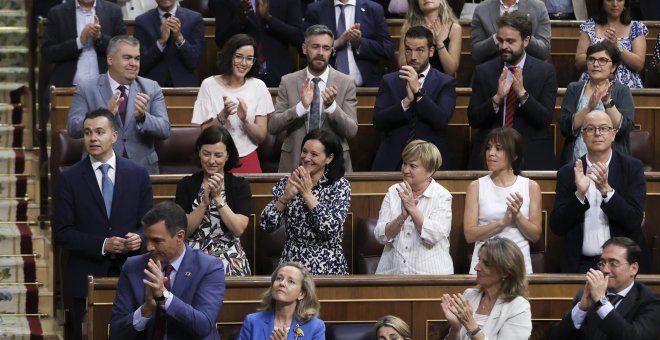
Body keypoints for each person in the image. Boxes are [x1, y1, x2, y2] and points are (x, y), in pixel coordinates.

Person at [52, 108, 153, 340]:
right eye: (88, 133)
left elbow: (150, 226)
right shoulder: (70, 178)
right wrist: (103, 244)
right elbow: (61, 233)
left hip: (131, 274)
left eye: (99, 132)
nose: (93, 138)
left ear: (114, 136)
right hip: (85, 277)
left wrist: (140, 238)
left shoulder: (137, 174)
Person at [109, 201, 226, 340]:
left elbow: (203, 326)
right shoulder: (133, 266)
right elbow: (116, 332)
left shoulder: (209, 267)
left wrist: (164, 297)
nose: (149, 247)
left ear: (180, 237)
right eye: (147, 239)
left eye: (157, 241)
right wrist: (146, 310)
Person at [550, 110, 649, 273]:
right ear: (583, 135)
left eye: (603, 128)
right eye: (590, 129)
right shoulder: (568, 172)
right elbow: (557, 226)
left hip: (622, 266)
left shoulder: (632, 168)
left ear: (613, 134)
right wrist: (579, 195)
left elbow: (633, 220)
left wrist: (607, 191)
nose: (597, 133)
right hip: (581, 265)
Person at [67, 35, 171, 174]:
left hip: (142, 170)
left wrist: (143, 117)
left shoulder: (151, 88)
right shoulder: (86, 88)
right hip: (99, 169)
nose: (134, 63)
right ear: (110, 59)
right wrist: (105, 113)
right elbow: (73, 128)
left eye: (137, 58)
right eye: (127, 58)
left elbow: (164, 130)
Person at [467, 11, 558, 171]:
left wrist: (523, 94)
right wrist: (497, 98)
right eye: (500, 40)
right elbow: (474, 119)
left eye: (510, 41)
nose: (503, 47)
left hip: (531, 157)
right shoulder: (483, 71)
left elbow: (545, 119)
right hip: (490, 157)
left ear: (526, 40)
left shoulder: (545, 72)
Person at [259, 129, 350, 275]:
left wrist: (307, 194)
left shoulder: (339, 185)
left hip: (327, 264)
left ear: (329, 158)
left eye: (314, 154)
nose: (306, 158)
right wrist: (285, 198)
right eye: (304, 152)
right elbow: (266, 224)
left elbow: (329, 229)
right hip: (291, 263)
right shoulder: (287, 182)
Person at [269, 24, 358, 173]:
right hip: (295, 164)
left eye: (326, 48)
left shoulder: (346, 83)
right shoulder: (288, 81)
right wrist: (300, 107)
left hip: (333, 165)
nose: (320, 52)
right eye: (315, 47)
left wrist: (332, 107)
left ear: (332, 51)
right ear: (304, 48)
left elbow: (351, 130)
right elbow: (273, 126)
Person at [372, 25, 456, 171]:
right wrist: (405, 103)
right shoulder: (389, 81)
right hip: (393, 161)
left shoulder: (445, 82)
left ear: (431, 51)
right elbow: (378, 121)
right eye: (408, 50)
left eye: (419, 50)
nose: (413, 57)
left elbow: (441, 120)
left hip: (430, 162)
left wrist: (418, 92)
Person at [175, 126, 252, 276]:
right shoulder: (186, 185)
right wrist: (203, 203)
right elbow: (184, 231)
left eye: (218, 155)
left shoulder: (240, 185)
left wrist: (218, 199)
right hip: (192, 254)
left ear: (227, 155)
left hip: (229, 254)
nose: (211, 161)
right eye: (206, 154)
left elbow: (238, 229)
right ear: (199, 152)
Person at [191, 33, 274, 173]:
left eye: (249, 59)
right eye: (239, 56)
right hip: (215, 160)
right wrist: (224, 114)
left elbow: (261, 136)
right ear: (229, 56)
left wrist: (245, 120)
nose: (243, 63)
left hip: (247, 158)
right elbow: (204, 133)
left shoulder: (259, 86)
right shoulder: (208, 85)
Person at [464, 128, 542, 274]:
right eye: (488, 148)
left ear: (514, 155)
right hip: (483, 265)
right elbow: (469, 235)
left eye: (498, 149)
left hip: (517, 266)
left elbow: (535, 235)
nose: (491, 153)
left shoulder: (531, 187)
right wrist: (502, 223)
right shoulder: (476, 186)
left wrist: (518, 216)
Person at [549, 237, 660, 339]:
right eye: (602, 263)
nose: (605, 270)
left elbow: (634, 337)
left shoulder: (650, 301)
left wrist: (601, 302)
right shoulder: (585, 295)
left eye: (613, 263)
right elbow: (555, 337)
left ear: (633, 268)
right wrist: (581, 309)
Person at [374, 140, 453, 274]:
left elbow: (435, 235)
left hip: (430, 276)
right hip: (392, 273)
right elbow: (380, 235)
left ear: (430, 171)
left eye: (413, 166)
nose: (405, 170)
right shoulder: (394, 192)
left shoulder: (442, 196)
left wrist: (412, 209)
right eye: (404, 163)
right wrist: (401, 217)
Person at [441, 237, 532, 340]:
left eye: (486, 264)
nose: (476, 268)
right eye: (479, 260)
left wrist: (471, 325)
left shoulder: (518, 307)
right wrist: (455, 328)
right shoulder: (469, 295)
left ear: (505, 272)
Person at [560, 42, 635, 165]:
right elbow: (565, 127)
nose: (596, 64)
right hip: (577, 161)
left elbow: (624, 128)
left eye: (602, 60)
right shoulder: (574, 88)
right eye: (591, 59)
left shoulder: (622, 91)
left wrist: (607, 102)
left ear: (613, 67)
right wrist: (589, 107)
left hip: (611, 164)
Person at [210, 0, 304, 87]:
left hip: (277, 75)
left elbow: (298, 37)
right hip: (238, 75)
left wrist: (269, 19)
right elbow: (220, 41)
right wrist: (239, 20)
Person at [304, 0, 394, 87]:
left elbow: (387, 49)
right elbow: (304, 49)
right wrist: (335, 44)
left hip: (366, 89)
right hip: (326, 89)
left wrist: (359, 43)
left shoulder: (373, 9)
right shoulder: (316, 10)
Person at [41, 0, 126, 87]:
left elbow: (123, 49)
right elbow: (48, 54)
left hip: (105, 87)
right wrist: (79, 42)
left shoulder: (114, 11)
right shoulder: (57, 13)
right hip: (68, 88)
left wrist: (100, 38)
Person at [238, 262, 325, 339]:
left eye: (291, 281)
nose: (282, 283)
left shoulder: (315, 327)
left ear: (301, 294)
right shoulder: (252, 321)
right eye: (279, 278)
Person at [575, 0, 648, 88]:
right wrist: (601, 48)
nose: (614, 4)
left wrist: (617, 47)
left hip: (627, 86)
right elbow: (578, 62)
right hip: (593, 84)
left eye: (619, 0)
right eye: (609, 0)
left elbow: (638, 65)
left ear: (625, 3)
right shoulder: (589, 25)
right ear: (602, 3)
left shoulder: (636, 27)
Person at [133, 0, 204, 87]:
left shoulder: (194, 18)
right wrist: (161, 42)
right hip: (152, 86)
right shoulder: (142, 21)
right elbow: (142, 63)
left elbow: (194, 61)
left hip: (184, 85)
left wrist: (179, 38)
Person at [470, 0, 550, 64]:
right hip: (492, 75)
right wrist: (497, 38)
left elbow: (544, 52)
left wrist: (521, 35)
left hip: (528, 74)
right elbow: (476, 54)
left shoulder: (539, 7)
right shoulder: (481, 9)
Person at [397, 0, 462, 75]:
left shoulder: (454, 28)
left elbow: (451, 70)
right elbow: (402, 65)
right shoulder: (408, 27)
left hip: (442, 82)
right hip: (415, 78)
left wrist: (439, 43)